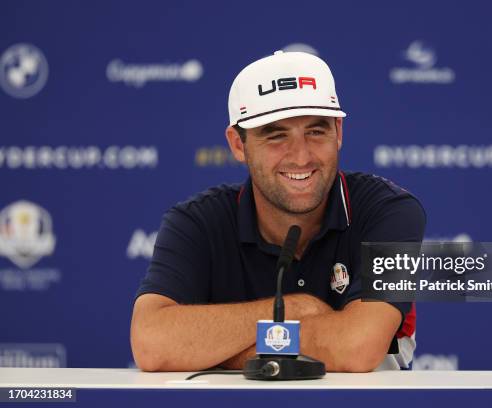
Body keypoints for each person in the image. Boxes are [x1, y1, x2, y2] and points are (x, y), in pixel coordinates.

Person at [130, 50, 426, 372]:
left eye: (316, 131)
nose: (301, 157)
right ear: (238, 144)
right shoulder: (197, 222)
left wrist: (218, 352)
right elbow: (151, 344)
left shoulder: (390, 212)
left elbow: (356, 348)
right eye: (276, 135)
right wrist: (297, 308)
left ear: (338, 133)